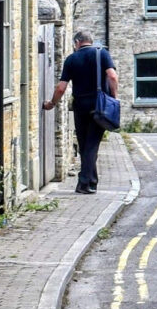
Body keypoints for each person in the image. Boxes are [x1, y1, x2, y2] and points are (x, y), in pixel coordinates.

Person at [43, 31, 118, 193]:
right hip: (99, 105)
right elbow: (112, 76)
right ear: (90, 41)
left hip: (80, 106)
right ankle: (86, 183)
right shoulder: (102, 54)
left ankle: (89, 182)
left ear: (77, 42)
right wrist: (114, 98)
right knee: (91, 145)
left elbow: (61, 87)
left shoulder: (71, 59)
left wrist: (51, 103)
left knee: (85, 145)